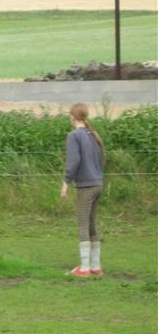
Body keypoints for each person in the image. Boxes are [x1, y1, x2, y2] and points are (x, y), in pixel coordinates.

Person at [60, 103, 105, 277]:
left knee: (83, 224)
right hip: (98, 184)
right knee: (92, 224)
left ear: (72, 116)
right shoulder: (93, 135)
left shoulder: (74, 136)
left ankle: (84, 268)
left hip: (86, 187)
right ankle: (96, 266)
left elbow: (73, 161)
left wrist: (66, 182)